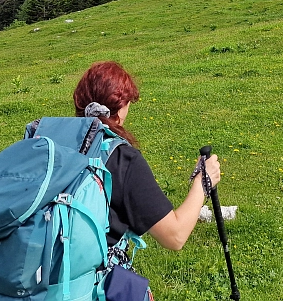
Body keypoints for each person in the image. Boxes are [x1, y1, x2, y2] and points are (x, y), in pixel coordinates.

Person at [73, 61, 221, 251]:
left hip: (40, 271)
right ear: (119, 107)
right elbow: (174, 236)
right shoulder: (122, 159)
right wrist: (203, 181)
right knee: (129, 281)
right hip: (89, 276)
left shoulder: (58, 143)